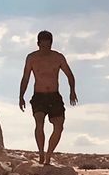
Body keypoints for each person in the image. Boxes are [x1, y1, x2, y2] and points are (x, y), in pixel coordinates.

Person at [18, 30, 77, 165]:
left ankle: (49, 155)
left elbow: (70, 75)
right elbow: (25, 78)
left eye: (48, 46)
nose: (46, 49)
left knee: (59, 126)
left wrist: (72, 91)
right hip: (39, 96)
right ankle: (41, 153)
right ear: (38, 44)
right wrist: (21, 96)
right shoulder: (31, 58)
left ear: (52, 44)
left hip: (54, 96)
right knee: (39, 122)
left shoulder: (58, 57)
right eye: (43, 46)